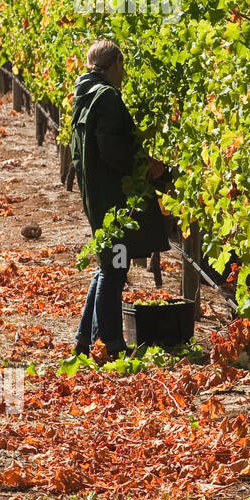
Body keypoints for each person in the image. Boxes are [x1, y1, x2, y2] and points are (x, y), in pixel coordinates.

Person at [71, 40, 171, 357]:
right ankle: (110, 343)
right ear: (113, 64)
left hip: (98, 197)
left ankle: (86, 340)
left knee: (108, 266)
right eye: (123, 67)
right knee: (115, 267)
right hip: (115, 201)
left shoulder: (85, 97)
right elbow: (114, 151)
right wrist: (145, 165)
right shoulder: (108, 98)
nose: (124, 74)